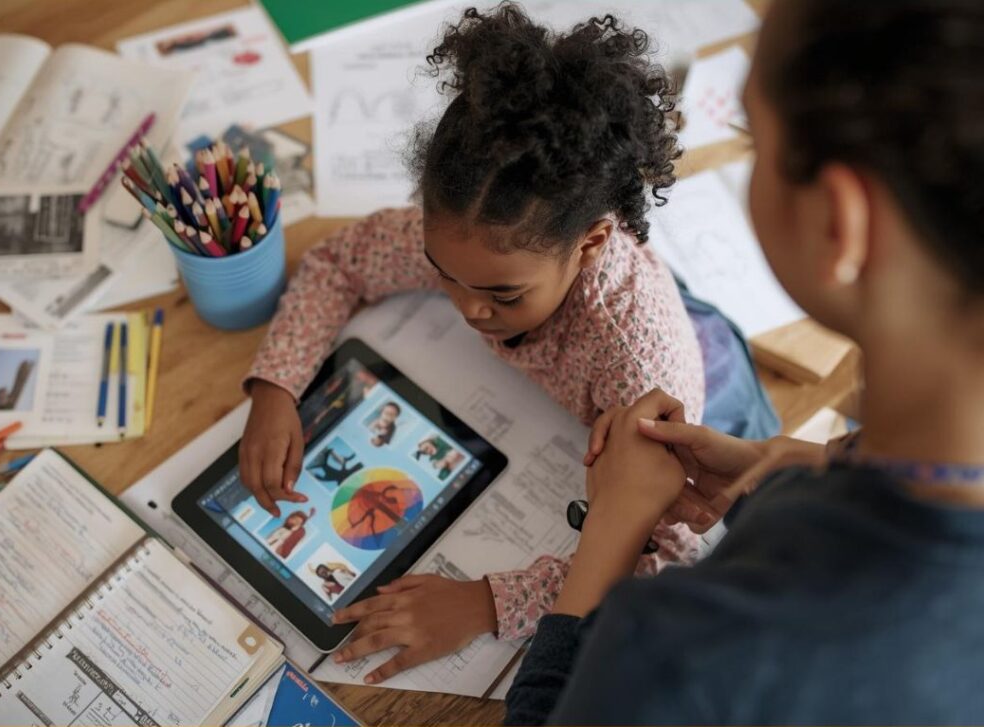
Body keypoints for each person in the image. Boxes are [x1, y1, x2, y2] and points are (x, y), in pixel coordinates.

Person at [240, 3, 773, 686]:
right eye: (443, 272)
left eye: (502, 296)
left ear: (590, 245)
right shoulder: (482, 237)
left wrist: (487, 602)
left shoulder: (641, 368)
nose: (466, 307)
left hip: (706, 388)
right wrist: (276, 385)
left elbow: (666, 550)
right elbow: (341, 261)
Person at [504, 0, 984, 723]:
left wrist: (611, 528)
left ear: (836, 222)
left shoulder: (682, 651)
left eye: (753, 141)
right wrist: (807, 471)